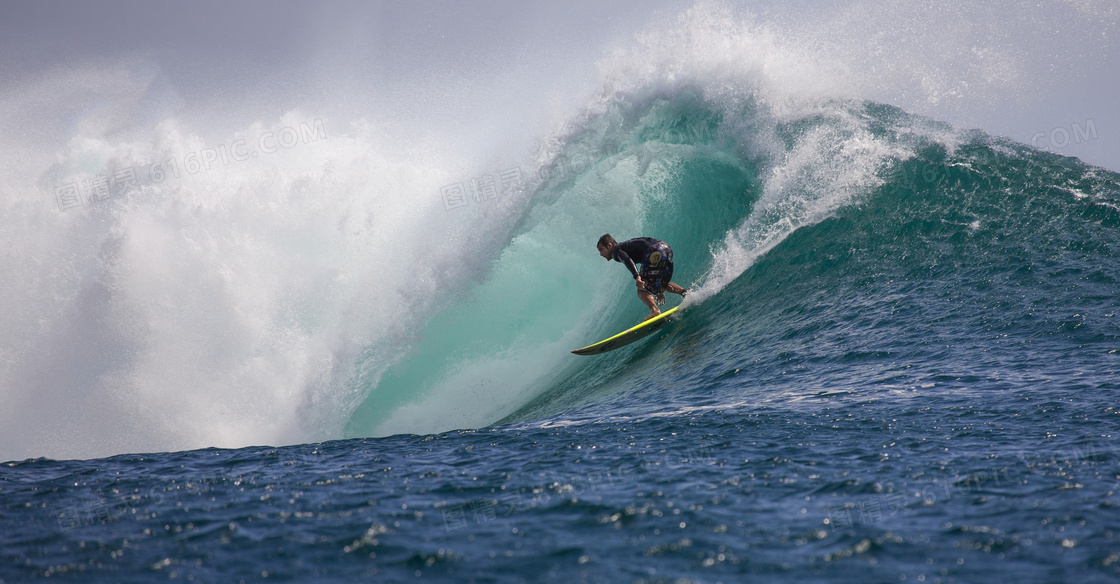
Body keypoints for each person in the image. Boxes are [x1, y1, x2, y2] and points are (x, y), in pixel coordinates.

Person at [596, 234, 687, 321]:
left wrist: (637, 276)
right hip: (665, 248)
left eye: (601, 250)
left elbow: (626, 259)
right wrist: (658, 289)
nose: (601, 254)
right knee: (661, 283)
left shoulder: (616, 251)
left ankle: (654, 310)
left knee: (641, 288)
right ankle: (686, 293)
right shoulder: (625, 246)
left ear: (610, 245)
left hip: (652, 251)